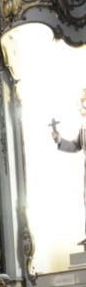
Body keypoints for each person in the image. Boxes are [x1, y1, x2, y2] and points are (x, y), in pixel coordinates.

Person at [52, 95, 86, 244]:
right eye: (81, 105)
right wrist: (59, 140)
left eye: (83, 104)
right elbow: (76, 145)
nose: (81, 107)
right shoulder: (83, 126)